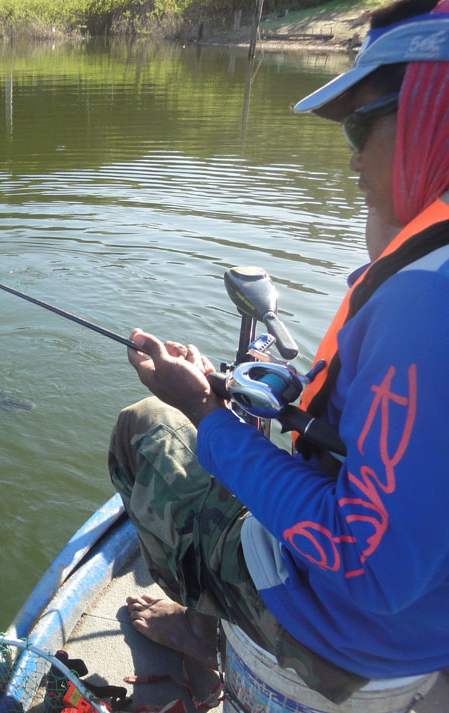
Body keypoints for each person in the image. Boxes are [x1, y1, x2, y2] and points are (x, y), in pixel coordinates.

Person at [108, 0, 449, 702]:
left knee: (142, 428)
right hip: (427, 620)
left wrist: (205, 409)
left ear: (428, 117)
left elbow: (366, 565)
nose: (352, 155)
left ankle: (207, 625)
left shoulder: (427, 303)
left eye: (362, 123)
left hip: (339, 625)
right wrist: (274, 390)